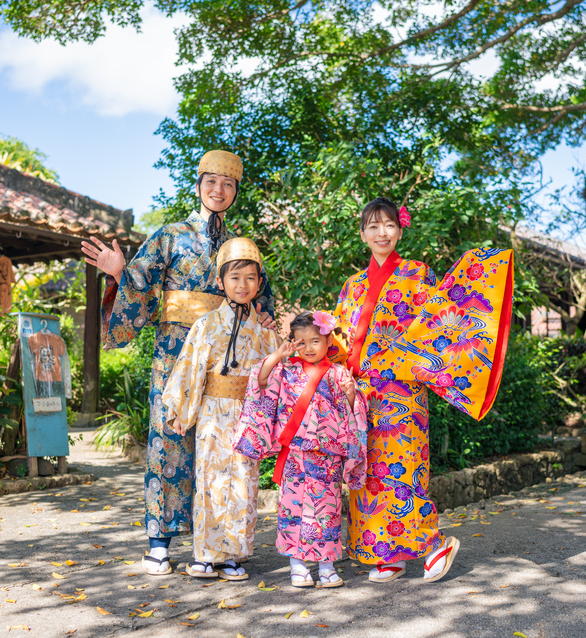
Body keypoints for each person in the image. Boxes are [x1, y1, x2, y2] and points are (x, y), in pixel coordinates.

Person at [80, 151, 275, 576]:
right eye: (211, 181)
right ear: (199, 184)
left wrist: (266, 320)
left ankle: (217, 544)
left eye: (228, 184)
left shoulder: (239, 246)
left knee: (221, 449)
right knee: (169, 439)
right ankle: (159, 542)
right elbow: (141, 285)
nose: (218, 190)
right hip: (173, 351)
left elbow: (261, 299)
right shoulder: (169, 236)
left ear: (236, 191)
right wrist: (121, 272)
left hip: (225, 359)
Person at [333, 197, 514, 584]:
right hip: (359, 394)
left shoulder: (417, 273)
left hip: (403, 391)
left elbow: (442, 327)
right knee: (367, 473)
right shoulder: (352, 286)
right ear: (362, 234)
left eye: (389, 225)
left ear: (400, 230)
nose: (382, 233)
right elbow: (340, 340)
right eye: (373, 226)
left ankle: (433, 544)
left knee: (405, 471)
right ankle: (387, 554)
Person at [162, 237, 280, 580]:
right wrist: (181, 411)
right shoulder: (206, 324)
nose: (243, 285)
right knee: (210, 480)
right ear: (220, 281)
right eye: (235, 277)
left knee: (244, 482)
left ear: (259, 282)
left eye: (251, 278)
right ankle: (204, 554)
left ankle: (232, 555)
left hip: (249, 415)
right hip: (213, 413)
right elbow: (190, 368)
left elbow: (277, 376)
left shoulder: (265, 331)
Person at [234, 310, 369, 589]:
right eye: (301, 342)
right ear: (293, 343)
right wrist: (278, 355)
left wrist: (350, 394)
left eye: (315, 341)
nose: (308, 348)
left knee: (327, 511)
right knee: (292, 510)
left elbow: (353, 410)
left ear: (328, 340)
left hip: (327, 455)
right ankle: (297, 565)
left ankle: (327, 565)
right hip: (295, 454)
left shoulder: (338, 373)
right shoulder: (286, 371)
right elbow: (259, 380)